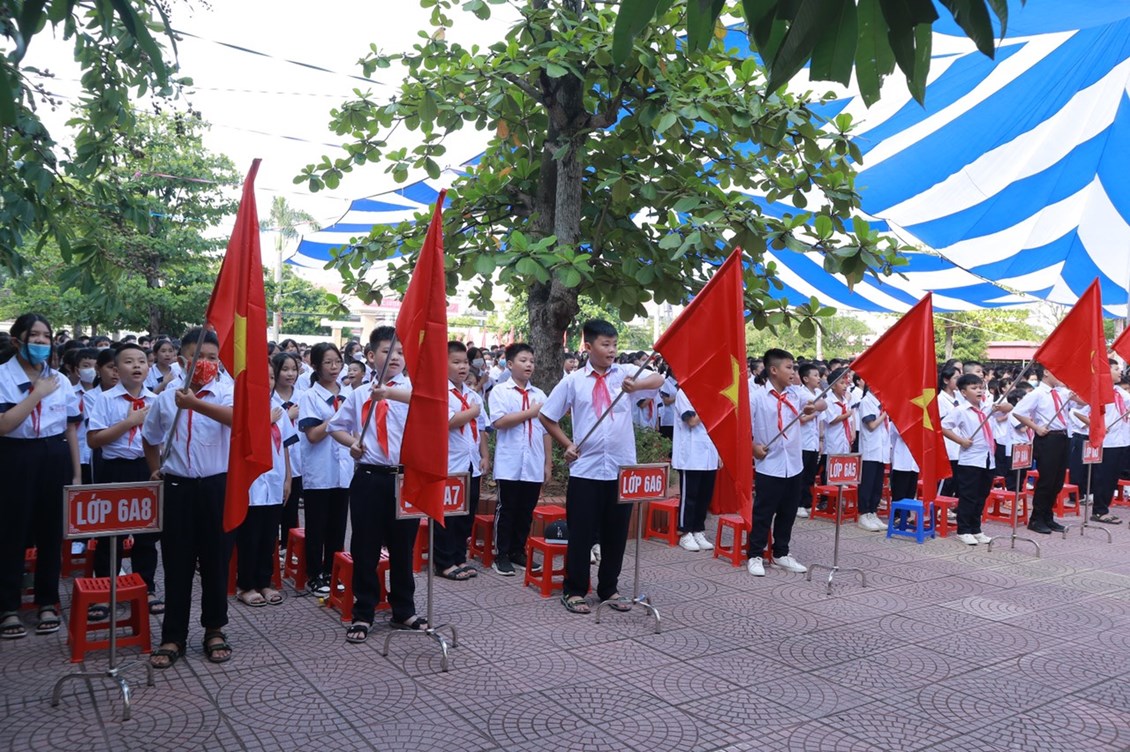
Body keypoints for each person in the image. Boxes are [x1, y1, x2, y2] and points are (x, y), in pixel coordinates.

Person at [539, 319, 665, 613]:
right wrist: (567, 444)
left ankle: (609, 587)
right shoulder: (573, 381)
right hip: (586, 469)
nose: (611, 350)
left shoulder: (624, 372)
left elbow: (658, 380)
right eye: (605, 344)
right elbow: (547, 415)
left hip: (621, 470)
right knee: (581, 533)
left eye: (614, 345)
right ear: (588, 346)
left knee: (616, 533)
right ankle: (574, 589)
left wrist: (637, 385)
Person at [141, 328, 233, 667]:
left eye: (212, 357)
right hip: (177, 487)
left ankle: (214, 629)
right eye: (198, 357)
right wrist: (155, 468)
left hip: (216, 487)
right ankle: (173, 636)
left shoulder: (227, 392)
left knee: (216, 562)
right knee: (176, 563)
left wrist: (195, 404)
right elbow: (149, 437)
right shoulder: (166, 398)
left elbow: (239, 421)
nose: (205, 363)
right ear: (182, 360)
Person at [327, 326, 424, 640]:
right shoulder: (358, 394)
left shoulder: (413, 391)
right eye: (387, 351)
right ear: (370, 356)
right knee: (365, 546)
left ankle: (404, 610)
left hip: (404, 479)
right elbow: (335, 427)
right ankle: (364, 612)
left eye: (400, 353)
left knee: (403, 547)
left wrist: (389, 394)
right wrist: (352, 443)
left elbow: (434, 406)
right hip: (369, 478)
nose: (395, 357)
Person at [0, 314, 81, 640]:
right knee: (12, 532)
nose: (41, 342)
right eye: (34, 336)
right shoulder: (3, 376)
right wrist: (36, 393)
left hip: (53, 454)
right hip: (14, 455)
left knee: (51, 533)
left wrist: (76, 474)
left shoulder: (59, 379)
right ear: (17, 340)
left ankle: (48, 601)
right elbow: (4, 425)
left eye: (46, 337)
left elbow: (70, 428)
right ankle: (8, 607)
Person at [87, 343, 162, 617]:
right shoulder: (105, 399)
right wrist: (130, 422)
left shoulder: (156, 400)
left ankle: (147, 588)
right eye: (129, 362)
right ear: (116, 369)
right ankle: (105, 592)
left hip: (146, 468)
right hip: (114, 469)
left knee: (146, 536)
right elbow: (94, 440)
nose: (136, 366)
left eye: (142, 361)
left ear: (149, 367)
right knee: (110, 536)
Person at [747, 348, 824, 577]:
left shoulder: (796, 394)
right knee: (763, 512)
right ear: (773, 370)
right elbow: (743, 429)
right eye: (788, 368)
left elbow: (822, 404)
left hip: (794, 463)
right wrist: (753, 447)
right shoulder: (757, 397)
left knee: (788, 512)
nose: (793, 372)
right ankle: (755, 554)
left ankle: (781, 552)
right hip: (769, 464)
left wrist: (812, 407)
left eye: (794, 368)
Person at [488, 343, 552, 576]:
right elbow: (499, 422)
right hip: (510, 462)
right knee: (507, 509)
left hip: (533, 461)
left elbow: (546, 430)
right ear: (510, 364)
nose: (529, 365)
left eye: (532, 361)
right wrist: (530, 413)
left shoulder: (539, 395)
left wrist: (548, 463)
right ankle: (501, 554)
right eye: (523, 360)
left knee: (526, 510)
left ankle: (518, 551)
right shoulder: (500, 391)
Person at [235, 361, 294, 607]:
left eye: (271, 377)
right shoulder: (239, 408)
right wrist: (263, 421)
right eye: (262, 377)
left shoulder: (278, 409)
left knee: (270, 536)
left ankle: (265, 581)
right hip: (252, 483)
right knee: (250, 536)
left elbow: (286, 447)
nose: (268, 382)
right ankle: (246, 585)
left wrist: (288, 478)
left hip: (274, 480)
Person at [296, 343, 352, 597]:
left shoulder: (348, 393)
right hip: (319, 470)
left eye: (337, 362)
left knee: (338, 526)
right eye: (328, 363)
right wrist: (335, 419)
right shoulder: (309, 396)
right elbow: (313, 435)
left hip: (344, 471)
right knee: (317, 526)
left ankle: (333, 570)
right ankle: (314, 574)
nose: (334, 367)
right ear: (316, 366)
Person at [432, 342, 490, 581]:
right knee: (447, 516)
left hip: (471, 465)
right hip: (450, 465)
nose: (462, 367)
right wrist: (472, 412)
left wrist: (485, 455)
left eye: (465, 362)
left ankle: (459, 557)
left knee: (466, 514)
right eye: (456, 362)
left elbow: (482, 428)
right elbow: (447, 422)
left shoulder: (472, 395)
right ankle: (444, 562)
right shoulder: (440, 393)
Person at [1011, 367, 1072, 534]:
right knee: (1047, 480)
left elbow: (1081, 402)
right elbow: (1018, 412)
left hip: (1063, 437)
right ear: (1046, 372)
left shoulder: (1062, 392)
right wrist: (1036, 427)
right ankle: (1036, 519)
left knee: (1057, 481)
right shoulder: (1037, 393)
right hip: (1047, 438)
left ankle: (1048, 516)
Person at [940, 374, 996, 545]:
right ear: (963, 392)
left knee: (982, 495)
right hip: (971, 459)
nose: (979, 391)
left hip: (988, 458)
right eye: (974, 388)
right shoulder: (961, 410)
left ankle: (976, 528)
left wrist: (1002, 407)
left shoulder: (987, 407)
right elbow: (943, 427)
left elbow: (1008, 408)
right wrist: (961, 441)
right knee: (969, 496)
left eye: (980, 387)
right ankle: (963, 530)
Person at [672, 383, 719, 552]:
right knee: (690, 496)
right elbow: (691, 421)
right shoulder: (684, 393)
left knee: (705, 496)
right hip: (690, 454)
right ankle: (685, 532)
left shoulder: (711, 393)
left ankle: (698, 529)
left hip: (709, 452)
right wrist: (710, 405)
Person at [1084, 359, 1126, 525]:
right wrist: (1098, 426)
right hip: (1106, 442)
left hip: (1121, 441)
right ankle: (1099, 511)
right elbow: (1077, 413)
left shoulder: (1119, 392)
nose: (1120, 372)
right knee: (1104, 477)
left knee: (1112, 478)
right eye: (1115, 369)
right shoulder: (1098, 392)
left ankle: (1104, 509)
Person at [271, 352, 304, 557]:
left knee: (291, 509)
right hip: (276, 462)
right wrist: (286, 416)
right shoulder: (270, 398)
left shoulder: (303, 396)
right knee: (275, 510)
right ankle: (273, 550)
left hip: (298, 462)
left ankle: (287, 549)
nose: (290, 374)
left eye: (294, 369)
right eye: (285, 369)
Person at [856, 378, 889, 532]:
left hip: (881, 450)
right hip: (870, 450)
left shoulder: (880, 403)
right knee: (867, 484)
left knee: (877, 484)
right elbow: (872, 425)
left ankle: (872, 512)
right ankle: (863, 513)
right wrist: (886, 412)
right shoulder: (866, 402)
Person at [796, 363, 823, 518]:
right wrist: (815, 412)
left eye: (818, 375)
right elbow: (802, 419)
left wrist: (821, 439)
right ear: (805, 379)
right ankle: (798, 504)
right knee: (802, 474)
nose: (818, 378)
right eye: (815, 375)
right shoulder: (801, 394)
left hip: (813, 442)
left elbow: (823, 410)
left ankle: (807, 503)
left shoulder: (818, 393)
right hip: (803, 441)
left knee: (811, 475)